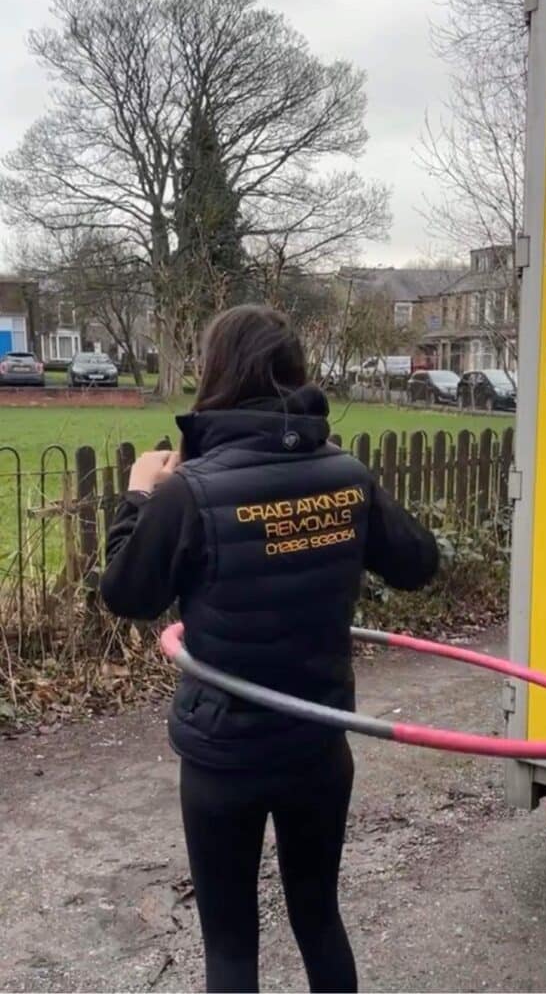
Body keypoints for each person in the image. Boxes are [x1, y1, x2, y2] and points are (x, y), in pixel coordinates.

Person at [101, 305, 439, 994]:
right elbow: (418, 564)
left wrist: (138, 495)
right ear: (296, 374)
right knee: (319, 917)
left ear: (217, 375)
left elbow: (126, 593)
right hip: (318, 746)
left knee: (230, 945)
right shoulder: (347, 474)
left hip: (226, 756)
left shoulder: (189, 492)